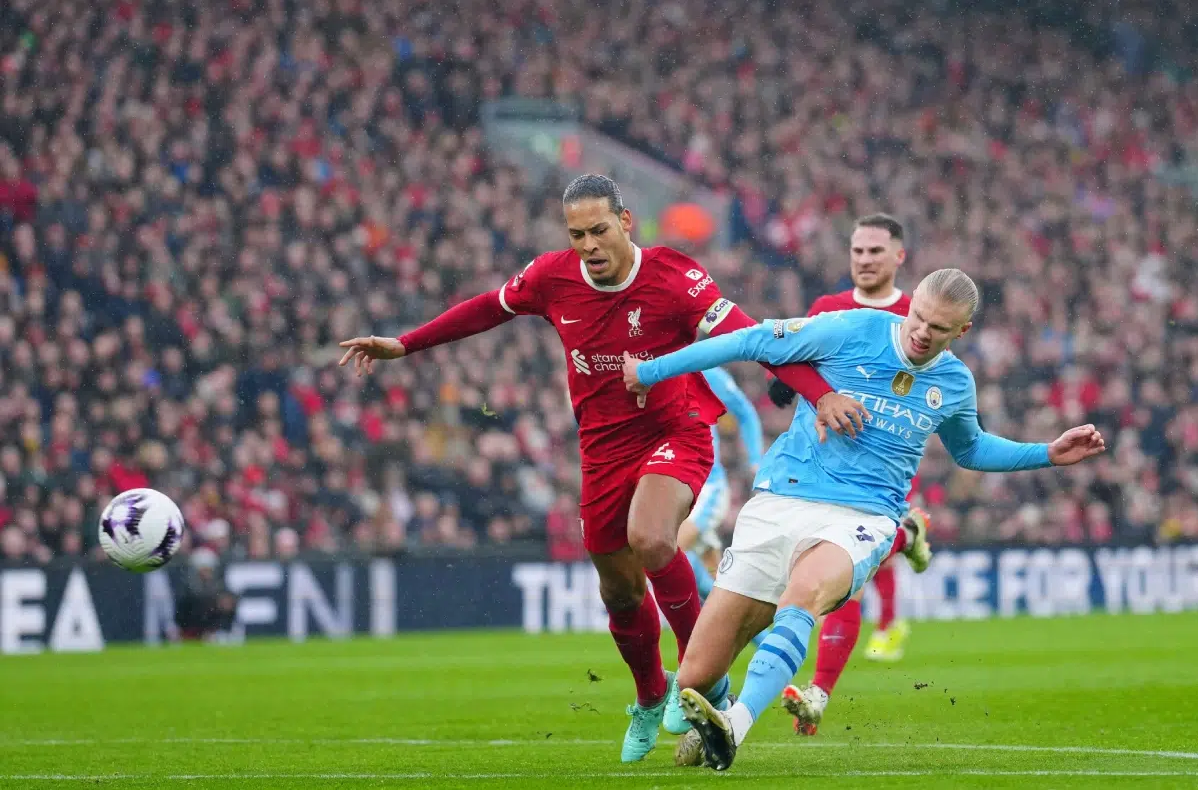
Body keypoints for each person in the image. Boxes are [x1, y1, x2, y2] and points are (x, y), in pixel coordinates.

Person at [337, 174, 870, 762]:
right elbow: (488, 308)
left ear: (624, 222)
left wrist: (820, 394)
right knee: (618, 591)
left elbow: (754, 338)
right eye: (576, 234)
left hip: (676, 432)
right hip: (603, 450)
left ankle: (700, 676)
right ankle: (650, 695)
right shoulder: (551, 277)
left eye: (598, 230)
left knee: (652, 537)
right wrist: (405, 344)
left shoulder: (676, 277)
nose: (588, 244)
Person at [623, 268, 1106, 771]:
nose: (923, 332)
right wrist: (653, 371)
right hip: (781, 499)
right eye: (919, 317)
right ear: (911, 303)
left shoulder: (954, 382)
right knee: (696, 676)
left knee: (803, 594)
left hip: (864, 515)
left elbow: (971, 448)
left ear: (961, 331)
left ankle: (735, 724)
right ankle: (717, 704)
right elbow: (750, 340)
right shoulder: (853, 328)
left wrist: (1047, 453)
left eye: (939, 328)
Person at [770, 213, 933, 736]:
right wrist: (787, 383)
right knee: (828, 580)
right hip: (821, 464)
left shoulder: (918, 315)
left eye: (875, 251)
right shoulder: (828, 308)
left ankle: (818, 693)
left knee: (848, 580)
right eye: (858, 251)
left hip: (881, 470)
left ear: (899, 257)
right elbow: (793, 362)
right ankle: (907, 535)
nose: (864, 259)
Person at [679, 367, 764, 605]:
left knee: (667, 550)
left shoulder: (705, 372)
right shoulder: (646, 371)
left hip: (706, 487)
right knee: (714, 584)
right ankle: (754, 624)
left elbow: (744, 411)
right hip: (671, 490)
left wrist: (755, 460)